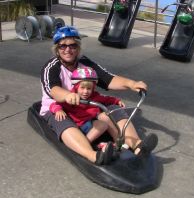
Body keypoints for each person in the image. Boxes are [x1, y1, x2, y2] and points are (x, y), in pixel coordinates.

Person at [40, 25, 158, 165]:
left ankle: (137, 146)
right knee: (62, 121)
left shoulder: (84, 62)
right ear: (57, 49)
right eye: (62, 46)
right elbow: (53, 89)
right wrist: (67, 96)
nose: (68, 50)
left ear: (78, 47)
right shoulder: (51, 67)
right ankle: (94, 156)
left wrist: (131, 84)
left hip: (85, 105)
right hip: (58, 106)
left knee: (113, 108)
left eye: (72, 45)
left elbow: (107, 78)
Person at [49, 65, 125, 144]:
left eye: (89, 89)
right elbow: (55, 104)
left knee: (104, 124)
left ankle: (118, 142)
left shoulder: (95, 97)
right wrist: (58, 110)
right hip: (78, 125)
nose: (85, 92)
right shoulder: (72, 97)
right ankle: (85, 143)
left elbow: (106, 99)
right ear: (77, 87)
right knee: (102, 125)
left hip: (90, 123)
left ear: (93, 88)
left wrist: (117, 101)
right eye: (82, 88)